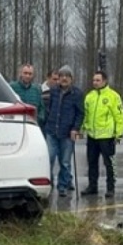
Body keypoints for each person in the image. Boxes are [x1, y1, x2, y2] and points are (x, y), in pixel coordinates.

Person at [81, 71, 123, 198]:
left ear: (105, 81)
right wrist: (81, 130)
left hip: (107, 137)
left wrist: (119, 134)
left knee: (109, 163)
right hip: (92, 136)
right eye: (94, 80)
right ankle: (92, 186)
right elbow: (85, 115)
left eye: (98, 80)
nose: (95, 82)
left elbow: (120, 116)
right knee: (92, 162)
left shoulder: (113, 96)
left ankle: (110, 188)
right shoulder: (89, 96)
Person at [43, 65, 84, 197]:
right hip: (52, 131)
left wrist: (75, 129)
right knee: (49, 158)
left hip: (67, 133)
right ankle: (48, 183)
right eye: (62, 76)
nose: (64, 78)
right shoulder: (53, 91)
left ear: (71, 79)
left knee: (65, 162)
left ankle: (63, 185)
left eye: (67, 76)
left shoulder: (77, 94)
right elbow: (48, 108)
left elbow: (80, 114)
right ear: (58, 78)